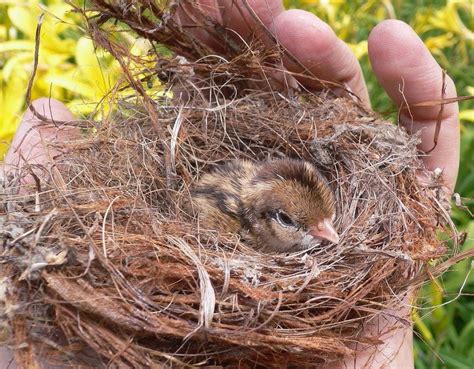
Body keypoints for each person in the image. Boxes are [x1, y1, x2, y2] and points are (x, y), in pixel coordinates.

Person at [1, 1, 459, 368]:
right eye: (295, 222)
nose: (327, 234)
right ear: (260, 219)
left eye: (324, 221)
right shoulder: (223, 229)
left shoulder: (293, 215)